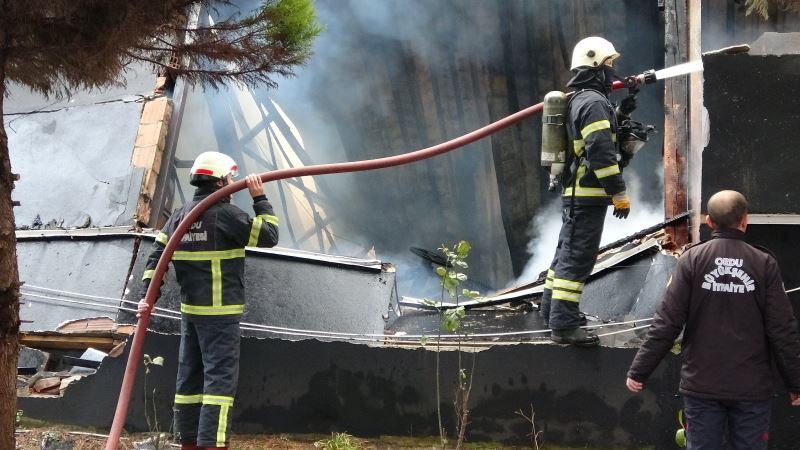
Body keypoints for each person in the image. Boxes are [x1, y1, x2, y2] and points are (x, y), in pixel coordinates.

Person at [626, 190, 800, 449]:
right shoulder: (764, 263)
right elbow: (782, 329)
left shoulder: (691, 260)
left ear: (709, 222)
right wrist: (795, 382)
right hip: (751, 389)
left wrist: (639, 371)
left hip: (702, 386)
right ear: (745, 220)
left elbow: (667, 322)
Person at [137, 151, 279, 450]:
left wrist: (146, 297)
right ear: (221, 181)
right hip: (221, 315)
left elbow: (155, 258)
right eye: (230, 178)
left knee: (189, 378)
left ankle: (186, 442)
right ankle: (212, 446)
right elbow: (269, 235)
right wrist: (259, 197)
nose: (233, 182)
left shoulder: (180, 215)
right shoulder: (226, 216)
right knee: (219, 384)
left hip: (191, 313)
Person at [539, 36, 638, 347]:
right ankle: (564, 326)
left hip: (577, 193)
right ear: (595, 66)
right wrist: (618, 192)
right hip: (588, 194)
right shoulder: (593, 102)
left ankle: (551, 312)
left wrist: (623, 110)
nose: (613, 71)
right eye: (609, 65)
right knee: (578, 258)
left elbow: (600, 133)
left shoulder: (587, 99)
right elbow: (600, 151)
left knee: (565, 254)